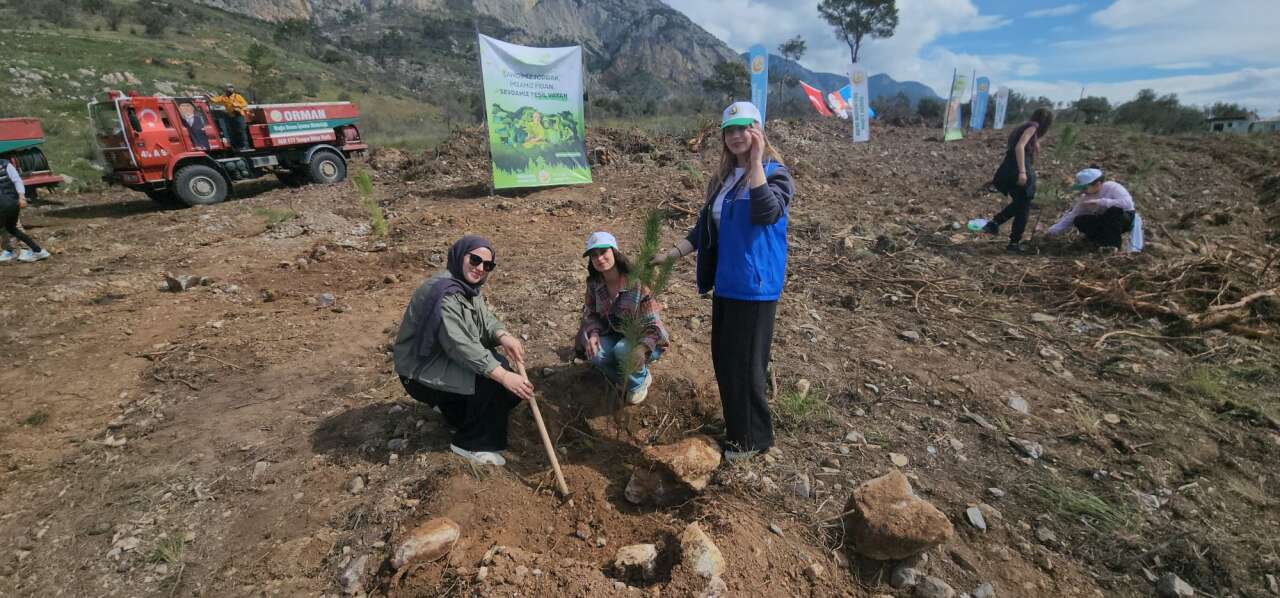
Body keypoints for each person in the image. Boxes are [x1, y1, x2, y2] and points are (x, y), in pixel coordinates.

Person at [655, 101, 795, 462]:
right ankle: (738, 430)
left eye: (743, 128)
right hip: (727, 283)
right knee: (725, 359)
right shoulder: (720, 180)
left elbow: (766, 212)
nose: (735, 136)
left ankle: (754, 440)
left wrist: (757, 162)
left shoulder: (775, 173)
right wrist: (670, 255)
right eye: (729, 131)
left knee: (747, 363)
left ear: (758, 131)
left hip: (756, 285)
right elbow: (704, 229)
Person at [392, 236, 534, 466]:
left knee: (503, 381)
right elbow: (461, 346)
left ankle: (454, 411)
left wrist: (502, 335)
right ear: (460, 255)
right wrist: (504, 376)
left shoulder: (466, 287)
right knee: (494, 381)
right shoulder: (444, 293)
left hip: (440, 361)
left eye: (487, 265)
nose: (480, 268)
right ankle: (471, 443)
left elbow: (483, 317)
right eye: (475, 260)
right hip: (419, 371)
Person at [576, 231, 670, 405]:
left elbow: (653, 324)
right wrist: (594, 334)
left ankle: (639, 381)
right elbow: (590, 313)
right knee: (594, 354)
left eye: (603, 252)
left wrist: (642, 348)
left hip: (646, 340)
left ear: (614, 252)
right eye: (594, 255)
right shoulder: (594, 284)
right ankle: (629, 379)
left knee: (622, 350)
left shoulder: (637, 283)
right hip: (616, 334)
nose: (599, 258)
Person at [983, 107, 1055, 252]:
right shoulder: (1033, 127)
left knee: (1021, 203)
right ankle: (1013, 242)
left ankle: (996, 223)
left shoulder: (1023, 127)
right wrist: (1022, 172)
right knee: (1024, 206)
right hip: (1017, 170)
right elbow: (1019, 147)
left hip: (1007, 169)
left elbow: (1020, 145)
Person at [1047, 166, 1140, 249]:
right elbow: (1072, 215)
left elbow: (1127, 203)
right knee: (1079, 220)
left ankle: (1112, 246)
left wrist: (1101, 202)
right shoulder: (1085, 198)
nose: (1083, 191)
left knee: (1114, 211)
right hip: (1103, 220)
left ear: (1098, 184)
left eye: (1085, 188)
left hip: (1124, 218)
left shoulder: (1112, 187)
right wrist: (1053, 230)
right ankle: (1097, 241)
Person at [0, 160, 49, 263]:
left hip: (6, 204)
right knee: (11, 228)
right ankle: (37, 250)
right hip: (12, 203)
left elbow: (17, 180)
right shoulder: (5, 163)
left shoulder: (5, 164)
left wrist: (22, 197)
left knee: (13, 227)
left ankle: (24, 249)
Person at [208, 84, 250, 150]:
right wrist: (209, 98)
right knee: (233, 132)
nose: (230, 89)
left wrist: (237, 104)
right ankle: (236, 146)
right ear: (226, 89)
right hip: (231, 116)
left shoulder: (237, 96)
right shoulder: (223, 97)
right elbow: (216, 100)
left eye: (231, 88)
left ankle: (244, 146)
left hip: (239, 116)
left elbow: (245, 104)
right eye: (228, 88)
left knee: (241, 131)